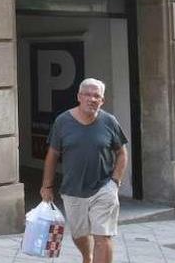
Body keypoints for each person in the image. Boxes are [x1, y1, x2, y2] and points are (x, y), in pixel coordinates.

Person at [40, 78, 128, 263]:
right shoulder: (63, 121)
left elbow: (121, 153)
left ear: (102, 101)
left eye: (97, 96)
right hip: (73, 190)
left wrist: (115, 182)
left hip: (103, 187)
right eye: (87, 94)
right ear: (79, 97)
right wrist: (47, 186)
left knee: (103, 238)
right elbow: (53, 155)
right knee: (79, 235)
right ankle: (87, 257)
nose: (92, 99)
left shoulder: (109, 121)